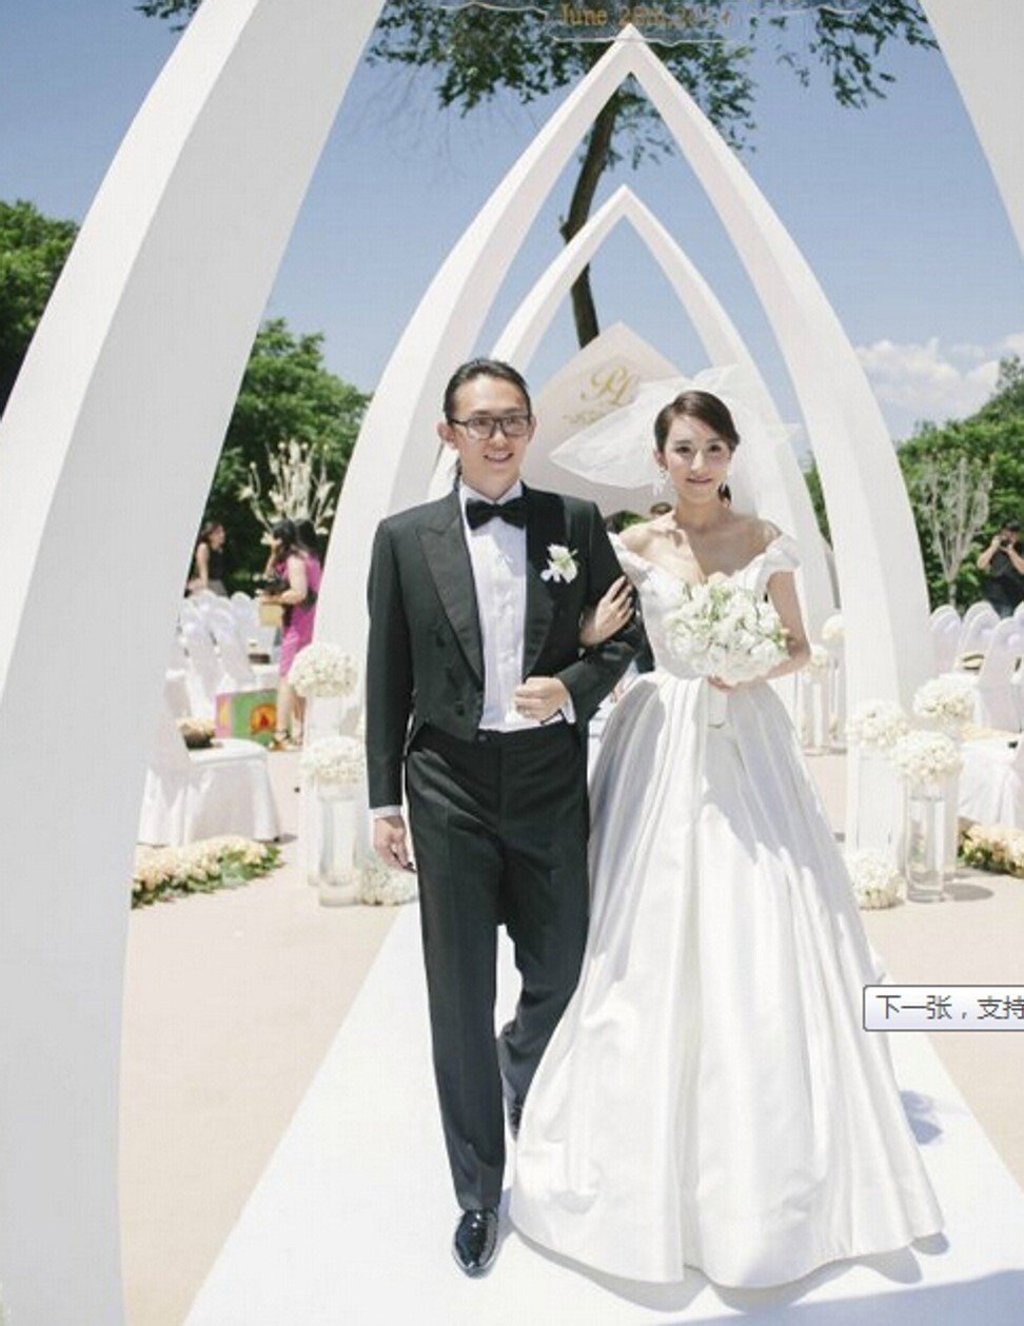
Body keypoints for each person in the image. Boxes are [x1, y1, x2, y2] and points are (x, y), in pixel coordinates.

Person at [511, 389, 943, 1287]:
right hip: (660, 738)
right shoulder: (630, 546)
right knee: (643, 928)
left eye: (713, 447)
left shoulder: (765, 541)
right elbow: (589, 641)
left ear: (731, 455)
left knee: (764, 914)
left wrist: (753, 663)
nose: (698, 463)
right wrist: (594, 631)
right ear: (659, 458)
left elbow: (797, 645)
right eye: (682, 448)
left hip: (747, 740)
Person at [365, 358, 644, 1277]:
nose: (498, 436)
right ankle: (479, 1192)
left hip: (546, 780)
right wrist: (381, 799)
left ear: (530, 429)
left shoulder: (574, 524)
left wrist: (568, 685)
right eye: (479, 422)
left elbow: (627, 640)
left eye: (513, 420)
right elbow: (386, 679)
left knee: (561, 966)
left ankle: (520, 1062)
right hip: (443, 784)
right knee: (455, 994)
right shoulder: (403, 539)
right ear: (448, 434)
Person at [260, 518, 321, 747]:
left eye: (275, 537)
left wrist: (273, 599)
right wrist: (273, 555)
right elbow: (269, 576)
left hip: (299, 623)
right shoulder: (308, 558)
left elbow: (299, 593)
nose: (272, 542)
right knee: (298, 678)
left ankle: (281, 732)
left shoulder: (295, 561)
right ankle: (301, 730)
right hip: (303, 621)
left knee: (286, 677)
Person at [977, 520, 1024, 618]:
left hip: (1013, 597)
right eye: (1007, 532)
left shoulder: (1020, 548)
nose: (1010, 536)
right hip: (993, 596)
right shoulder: (995, 547)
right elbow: (980, 564)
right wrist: (993, 547)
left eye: (1014, 533)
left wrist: (1011, 552)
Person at [187, 521, 228, 596]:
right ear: (210, 536)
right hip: (204, 584)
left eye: (222, 531)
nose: (222, 534)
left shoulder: (219, 550)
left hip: (217, 584)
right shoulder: (203, 548)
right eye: (218, 532)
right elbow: (203, 573)